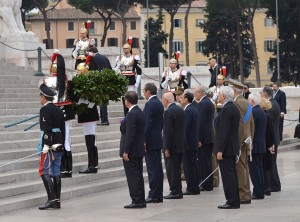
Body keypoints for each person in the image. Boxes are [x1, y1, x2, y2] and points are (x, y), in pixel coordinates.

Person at [41, 50, 75, 178]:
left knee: (57, 139)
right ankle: (67, 168)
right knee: (66, 140)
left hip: (54, 111)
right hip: (65, 111)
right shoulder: (65, 78)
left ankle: (62, 167)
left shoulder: (47, 80)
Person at [37, 84, 65, 210]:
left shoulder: (45, 110)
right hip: (58, 142)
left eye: (40, 96)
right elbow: (63, 130)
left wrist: (46, 145)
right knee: (56, 171)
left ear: (44, 97)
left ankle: (51, 199)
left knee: (43, 170)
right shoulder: (58, 109)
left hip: (49, 145)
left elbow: (47, 130)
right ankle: (57, 200)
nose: (40, 98)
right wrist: (61, 144)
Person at [214, 86, 240, 209]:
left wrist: (220, 150)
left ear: (224, 96)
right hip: (232, 147)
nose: (218, 95)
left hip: (226, 149)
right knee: (232, 175)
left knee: (228, 176)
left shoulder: (226, 110)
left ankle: (231, 201)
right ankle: (234, 200)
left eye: (219, 93)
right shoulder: (233, 107)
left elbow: (224, 132)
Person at [229, 78, 255, 205]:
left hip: (240, 141)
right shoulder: (246, 102)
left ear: (234, 91)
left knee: (240, 169)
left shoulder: (236, 103)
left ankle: (243, 195)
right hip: (247, 140)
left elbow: (239, 125)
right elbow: (252, 125)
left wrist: (236, 143)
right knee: (244, 168)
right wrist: (250, 141)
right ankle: (246, 193)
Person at [120, 91, 146, 209]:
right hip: (138, 148)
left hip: (132, 150)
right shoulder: (139, 111)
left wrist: (126, 151)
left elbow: (130, 135)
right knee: (138, 175)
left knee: (133, 176)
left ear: (127, 101)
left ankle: (136, 200)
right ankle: (140, 199)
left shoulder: (131, 114)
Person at [76, 55, 100, 174]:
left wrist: (82, 105)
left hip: (89, 113)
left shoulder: (88, 83)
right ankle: (93, 164)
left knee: (90, 138)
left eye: (78, 71)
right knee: (90, 138)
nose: (77, 73)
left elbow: (92, 99)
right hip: (88, 112)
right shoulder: (87, 81)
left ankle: (92, 165)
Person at [143, 83, 164, 204]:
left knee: (152, 169)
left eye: (144, 91)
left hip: (150, 140)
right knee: (158, 169)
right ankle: (158, 194)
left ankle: (154, 194)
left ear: (148, 92)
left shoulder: (150, 104)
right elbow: (160, 123)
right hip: (157, 139)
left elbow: (148, 124)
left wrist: (144, 140)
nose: (144, 94)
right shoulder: (159, 103)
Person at [162, 92, 186, 199]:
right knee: (176, 169)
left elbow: (168, 131)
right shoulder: (180, 109)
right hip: (180, 144)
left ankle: (175, 191)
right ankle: (178, 190)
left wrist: (167, 148)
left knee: (171, 169)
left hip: (172, 146)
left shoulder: (168, 112)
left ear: (166, 100)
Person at [260, 86, 281, 192]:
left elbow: (269, 125)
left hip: (272, 139)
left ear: (265, 94)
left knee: (271, 163)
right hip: (274, 138)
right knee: (272, 163)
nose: (259, 94)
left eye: (261, 93)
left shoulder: (270, 105)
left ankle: (275, 185)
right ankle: (274, 184)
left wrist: (270, 142)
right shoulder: (274, 103)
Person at [180, 92, 200, 195]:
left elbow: (185, 128)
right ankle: (195, 187)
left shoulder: (188, 110)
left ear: (187, 99)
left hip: (188, 144)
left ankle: (191, 188)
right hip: (193, 142)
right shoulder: (193, 108)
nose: (180, 99)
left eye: (182, 97)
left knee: (189, 167)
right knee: (193, 165)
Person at [196, 85, 215, 191]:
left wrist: (198, 139)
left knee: (204, 162)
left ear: (200, 93)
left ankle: (206, 183)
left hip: (204, 138)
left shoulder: (202, 104)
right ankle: (208, 182)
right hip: (209, 136)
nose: (195, 95)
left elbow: (201, 122)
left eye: (195, 93)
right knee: (206, 162)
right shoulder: (208, 102)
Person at [248, 93, 267, 199]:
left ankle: (258, 192)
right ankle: (260, 190)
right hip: (260, 145)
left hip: (255, 145)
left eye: (249, 100)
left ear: (253, 101)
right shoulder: (260, 111)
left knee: (254, 170)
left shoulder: (254, 112)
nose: (248, 102)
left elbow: (251, 130)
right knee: (259, 169)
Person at [90, 47, 112, 126]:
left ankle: (104, 120)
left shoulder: (93, 58)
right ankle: (104, 118)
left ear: (91, 52)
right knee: (104, 102)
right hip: (106, 82)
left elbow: (91, 70)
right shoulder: (104, 57)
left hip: (98, 82)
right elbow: (110, 69)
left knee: (101, 102)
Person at [260, 98, 275, 196]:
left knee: (265, 167)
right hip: (267, 144)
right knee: (266, 167)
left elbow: (269, 133)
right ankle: (267, 188)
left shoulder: (265, 116)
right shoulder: (267, 115)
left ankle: (266, 188)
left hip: (266, 145)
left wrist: (270, 145)